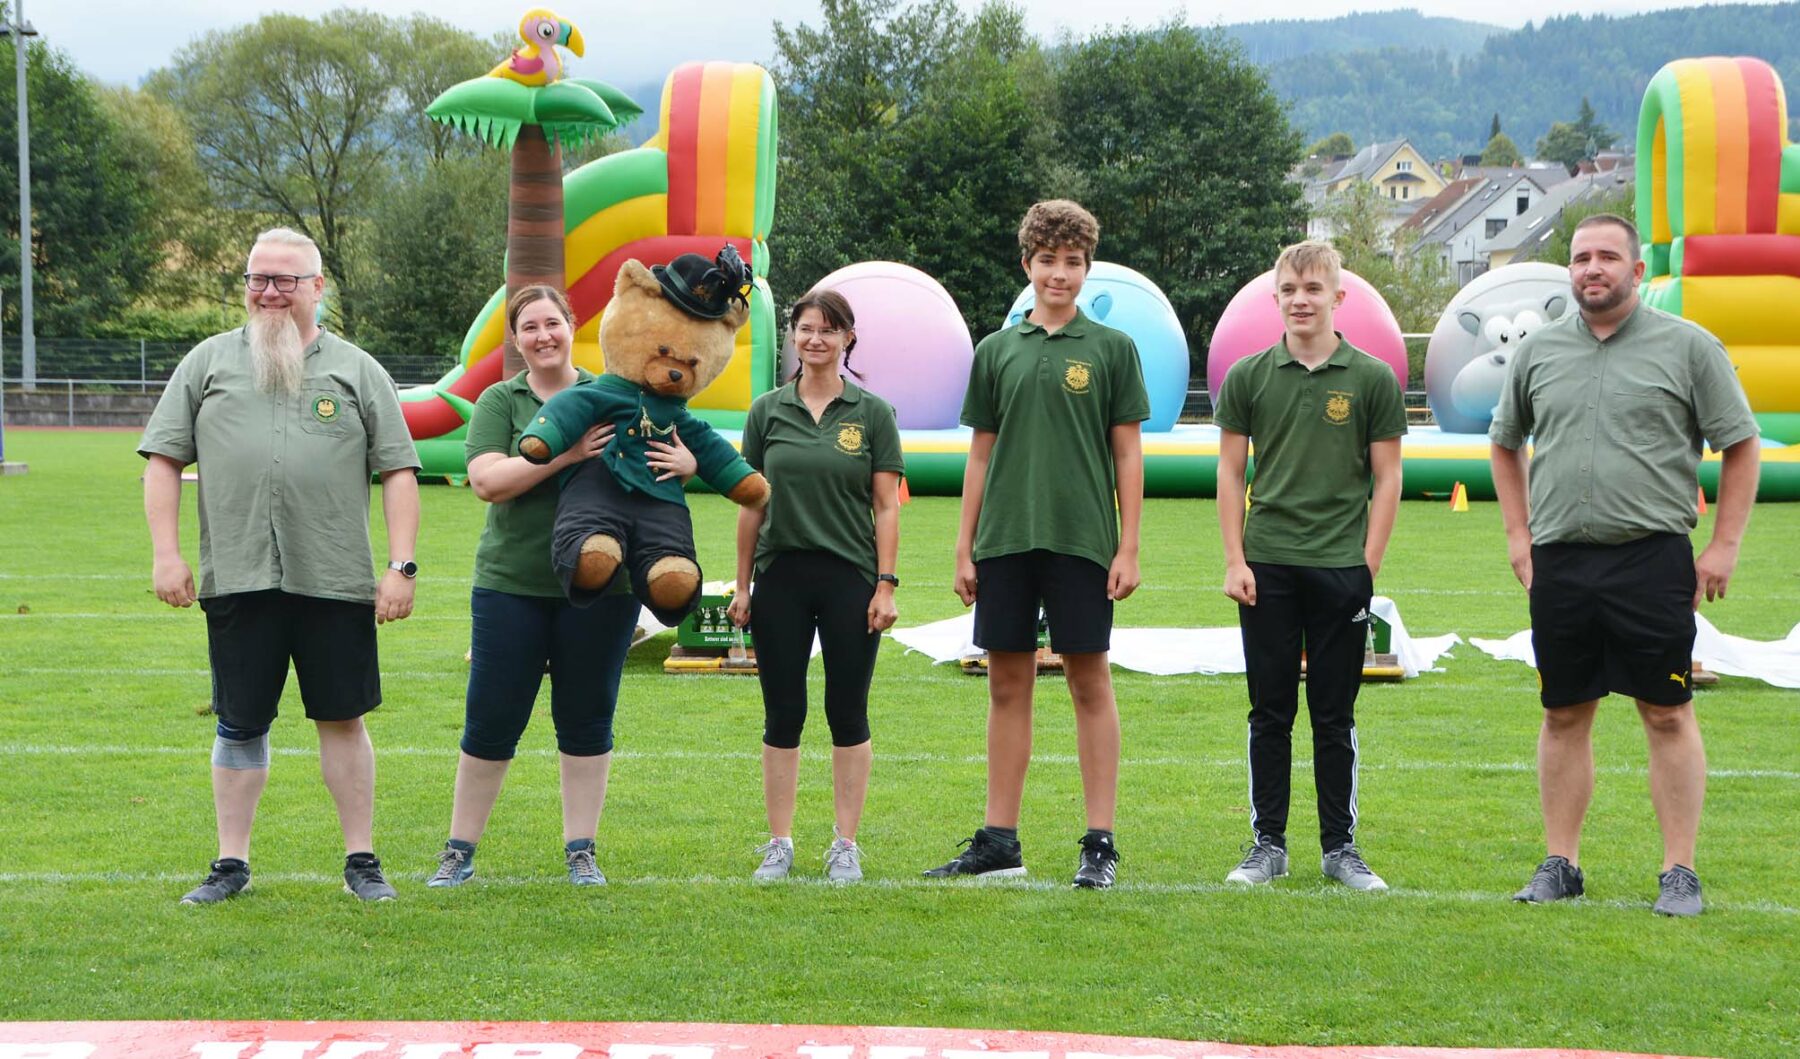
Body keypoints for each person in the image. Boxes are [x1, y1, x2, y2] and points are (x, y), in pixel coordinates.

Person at [140, 227, 421, 904]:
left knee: (343, 719)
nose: (268, 292)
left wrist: (401, 566)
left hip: (335, 579)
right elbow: (163, 460)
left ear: (316, 287)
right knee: (239, 723)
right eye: (257, 279)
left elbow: (398, 470)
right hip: (238, 574)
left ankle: (362, 862)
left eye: (284, 280)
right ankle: (230, 864)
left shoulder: (358, 370)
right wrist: (167, 554)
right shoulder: (206, 363)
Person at [1490, 214, 1759, 917]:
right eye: (1581, 257)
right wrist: (1518, 536)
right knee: (1563, 712)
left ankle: (1679, 871)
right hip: (1560, 562)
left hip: (1652, 558)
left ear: (1637, 271)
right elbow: (1505, 442)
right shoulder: (1538, 352)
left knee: (1666, 712)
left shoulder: (1689, 347)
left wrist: (1724, 545)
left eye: (1608, 256)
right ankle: (1561, 862)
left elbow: (1741, 443)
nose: (1592, 268)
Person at [429, 285, 695, 888]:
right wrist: (566, 454)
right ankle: (459, 851)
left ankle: (581, 851)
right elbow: (487, 482)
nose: (543, 336)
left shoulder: (617, 392)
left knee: (587, 719)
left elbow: (669, 456)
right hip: (511, 584)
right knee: (491, 721)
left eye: (552, 323)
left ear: (573, 326)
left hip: (604, 588)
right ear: (516, 339)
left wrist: (692, 466)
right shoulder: (501, 399)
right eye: (529, 327)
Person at [923, 199, 1148, 890]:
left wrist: (1129, 547)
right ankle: (999, 842)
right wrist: (964, 546)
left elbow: (1128, 454)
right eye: (1047, 260)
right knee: (1006, 684)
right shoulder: (996, 351)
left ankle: (1100, 843)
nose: (1059, 273)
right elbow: (980, 455)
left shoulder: (1112, 349)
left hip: (1083, 540)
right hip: (1005, 540)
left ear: (1086, 268)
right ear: (1027, 264)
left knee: (1089, 681)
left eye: (1072, 262)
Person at [1212, 240, 1407, 892]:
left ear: (1337, 296)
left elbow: (1388, 476)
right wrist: (1235, 559)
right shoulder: (1248, 376)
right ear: (1276, 297)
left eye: (1313, 289)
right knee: (1269, 711)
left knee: (1334, 713)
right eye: (1290, 290)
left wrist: (1366, 566)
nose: (1301, 300)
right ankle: (1267, 844)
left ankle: (1339, 848)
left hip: (1340, 570)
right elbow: (1231, 471)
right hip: (1266, 566)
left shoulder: (1372, 378)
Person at [725, 289, 903, 884]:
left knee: (847, 711)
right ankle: (779, 843)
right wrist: (743, 585)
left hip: (851, 577)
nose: (816, 339)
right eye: (806, 328)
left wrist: (885, 585)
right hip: (780, 577)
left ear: (848, 338)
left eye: (829, 330)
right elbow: (750, 503)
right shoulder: (766, 411)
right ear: (793, 336)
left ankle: (845, 845)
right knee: (783, 712)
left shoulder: (873, 413)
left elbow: (886, 506)